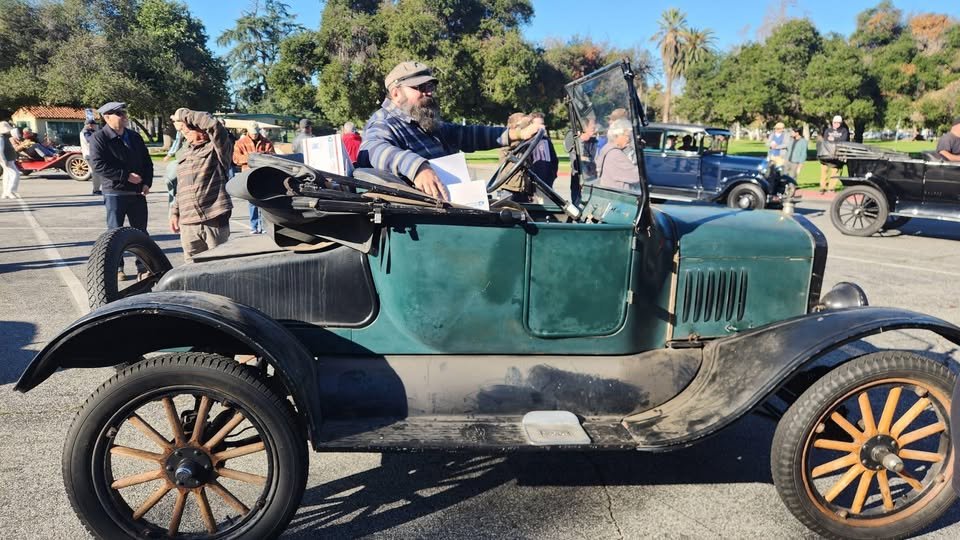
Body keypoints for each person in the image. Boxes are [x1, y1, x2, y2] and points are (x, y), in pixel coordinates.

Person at [358, 60, 539, 200]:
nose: (428, 93)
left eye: (429, 87)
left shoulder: (424, 122)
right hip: (420, 220)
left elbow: (467, 135)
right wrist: (417, 168)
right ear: (396, 93)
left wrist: (517, 134)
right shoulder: (383, 123)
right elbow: (373, 149)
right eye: (420, 88)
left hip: (450, 207)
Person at [88, 101, 153, 281]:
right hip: (115, 192)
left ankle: (143, 268)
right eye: (119, 114)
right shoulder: (99, 138)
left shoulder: (134, 136)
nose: (124, 116)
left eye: (124, 113)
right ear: (107, 117)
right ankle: (117, 268)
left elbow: (147, 162)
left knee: (140, 232)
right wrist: (125, 176)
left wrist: (147, 182)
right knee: (115, 233)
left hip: (137, 192)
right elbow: (98, 165)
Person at [169, 108, 234, 262]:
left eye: (188, 128)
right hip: (188, 222)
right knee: (191, 270)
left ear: (201, 129)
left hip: (213, 219)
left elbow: (214, 126)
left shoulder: (217, 149)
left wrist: (182, 114)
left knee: (219, 266)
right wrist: (174, 211)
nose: (184, 131)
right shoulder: (185, 153)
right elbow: (181, 186)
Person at [232, 123, 274, 234]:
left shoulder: (266, 142)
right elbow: (236, 159)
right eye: (252, 133)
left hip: (263, 174)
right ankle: (254, 226)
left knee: (264, 201)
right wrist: (251, 157)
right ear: (248, 132)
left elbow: (273, 157)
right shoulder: (240, 143)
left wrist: (263, 156)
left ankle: (264, 226)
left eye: (256, 133)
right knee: (252, 202)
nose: (254, 135)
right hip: (248, 176)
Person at [596, 119, 641, 191]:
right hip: (618, 195)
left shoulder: (606, 148)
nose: (629, 139)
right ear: (617, 135)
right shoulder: (615, 154)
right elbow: (637, 176)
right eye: (627, 136)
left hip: (609, 191)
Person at [819, 115, 849, 194]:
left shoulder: (843, 131)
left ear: (841, 123)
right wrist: (833, 140)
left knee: (835, 171)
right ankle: (823, 187)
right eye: (834, 122)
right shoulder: (828, 130)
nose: (836, 124)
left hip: (837, 155)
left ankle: (831, 188)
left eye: (838, 123)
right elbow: (825, 140)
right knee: (824, 171)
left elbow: (844, 140)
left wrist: (834, 139)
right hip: (826, 154)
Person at [528, 111, 559, 188]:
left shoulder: (547, 141)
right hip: (532, 183)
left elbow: (554, 159)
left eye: (542, 124)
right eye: (538, 124)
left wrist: (552, 175)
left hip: (547, 182)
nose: (542, 126)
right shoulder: (527, 141)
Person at [1, 121, 21, 199]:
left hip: (8, 159)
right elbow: (0, 151)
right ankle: (10, 191)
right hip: (7, 159)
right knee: (15, 174)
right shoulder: (1, 138)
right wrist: (3, 160)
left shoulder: (4, 137)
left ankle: (5, 192)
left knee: (7, 175)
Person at [79, 120, 101, 194]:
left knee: (97, 172)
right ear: (90, 125)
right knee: (95, 173)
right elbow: (91, 140)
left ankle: (97, 189)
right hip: (89, 155)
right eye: (95, 125)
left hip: (92, 154)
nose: (96, 126)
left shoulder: (90, 131)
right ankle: (96, 190)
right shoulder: (86, 132)